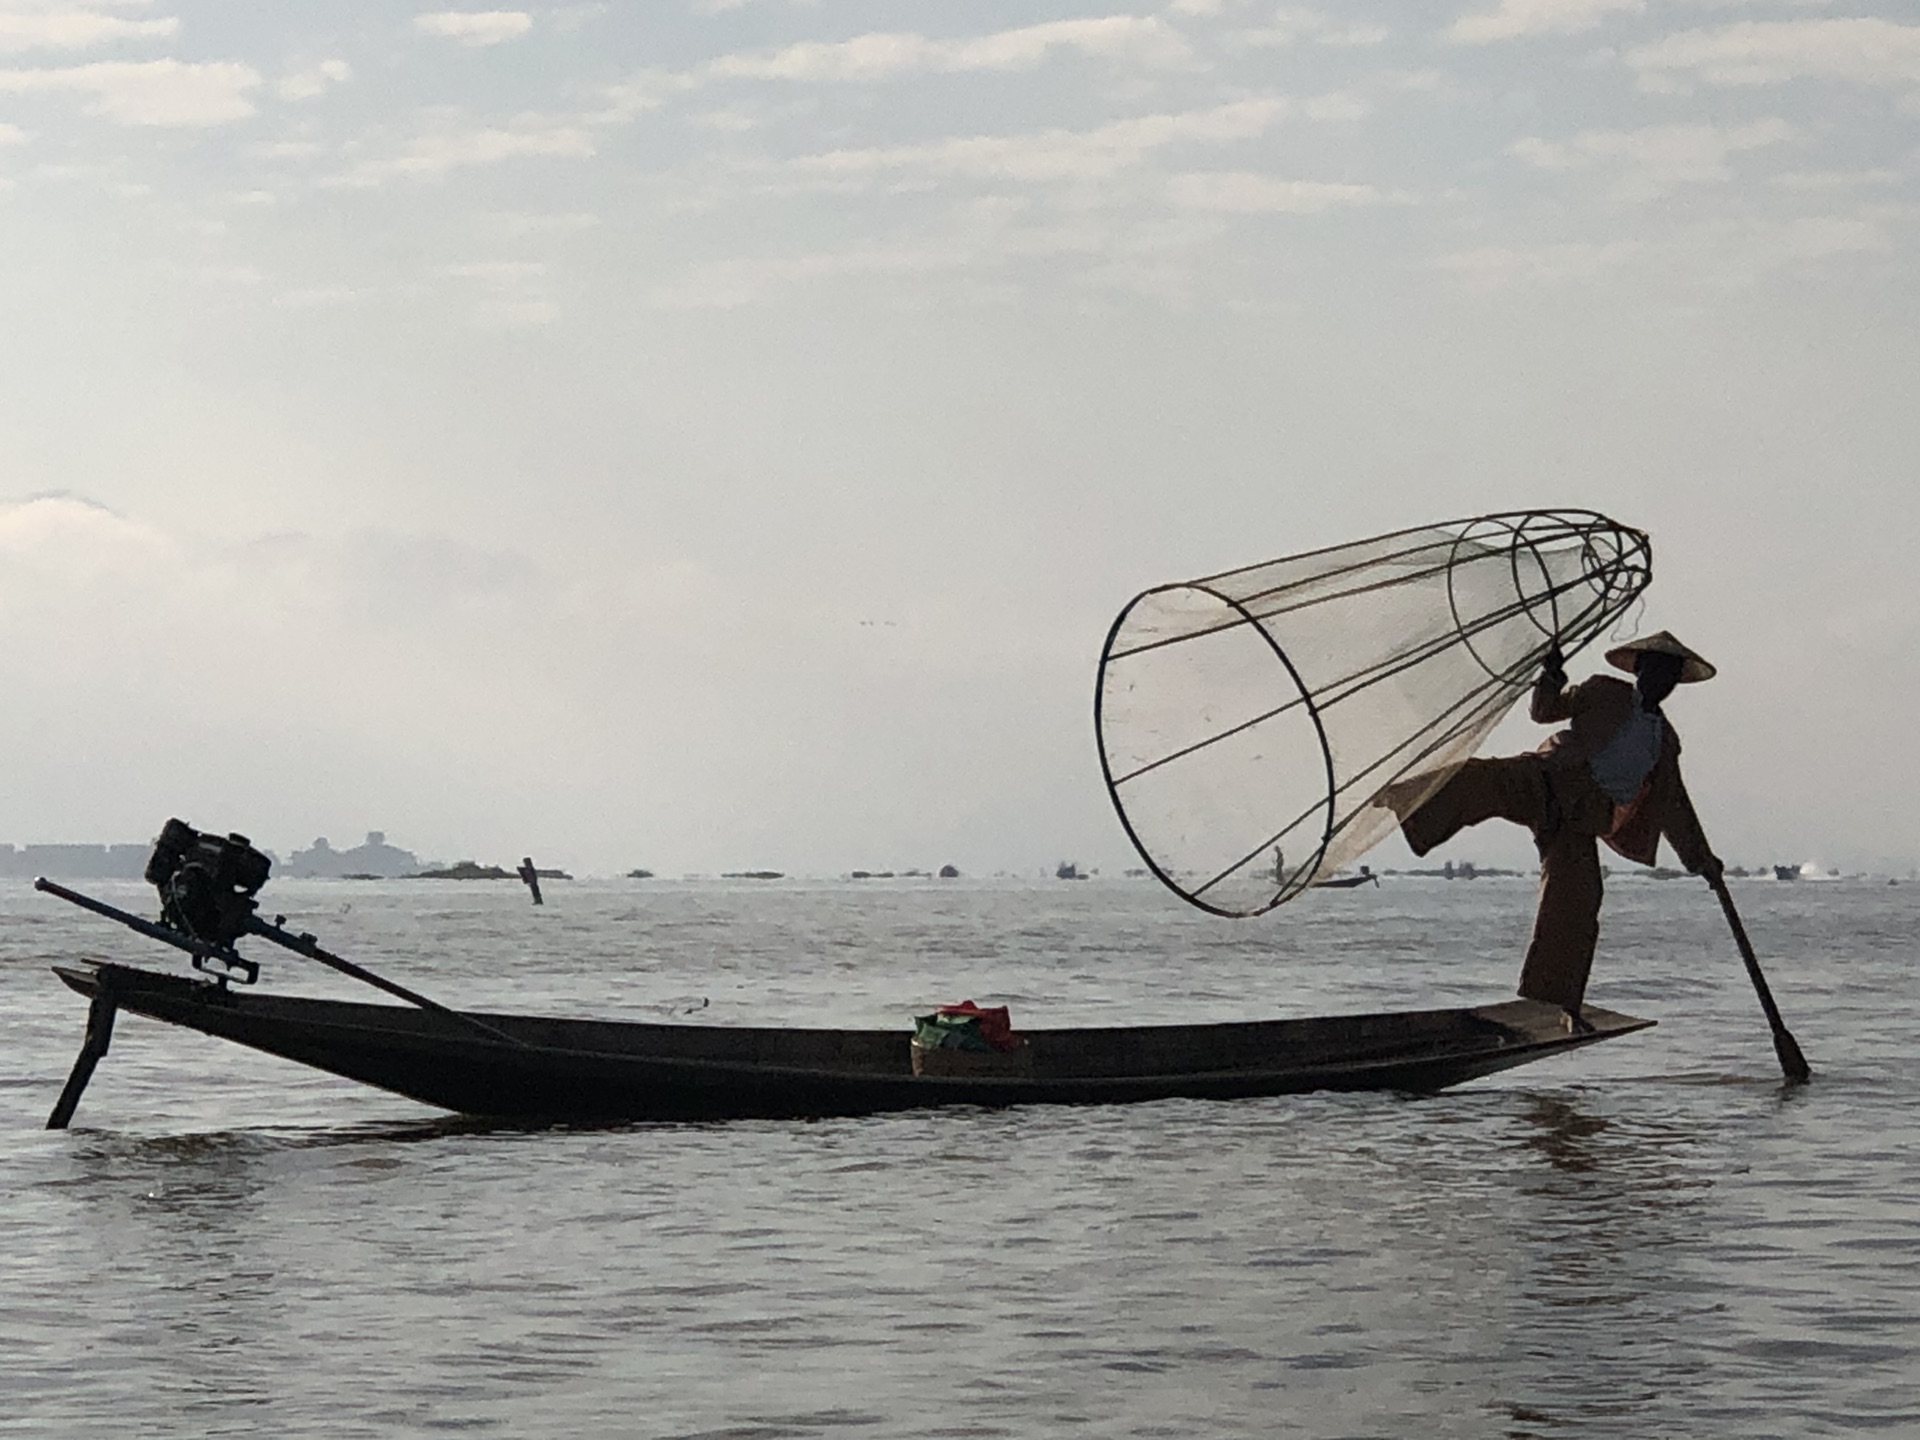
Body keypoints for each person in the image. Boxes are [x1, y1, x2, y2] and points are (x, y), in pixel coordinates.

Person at [1384, 632, 1723, 1031]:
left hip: (1581, 818)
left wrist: (1702, 860)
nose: (1659, 681)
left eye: (1668, 675)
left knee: (1578, 903)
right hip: (1549, 778)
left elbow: (1675, 806)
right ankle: (1403, 799)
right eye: (1654, 670)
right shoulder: (1601, 691)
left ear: (1673, 682)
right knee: (1483, 779)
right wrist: (1551, 674)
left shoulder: (1664, 741)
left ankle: (1552, 1001)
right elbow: (1544, 711)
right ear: (1640, 670)